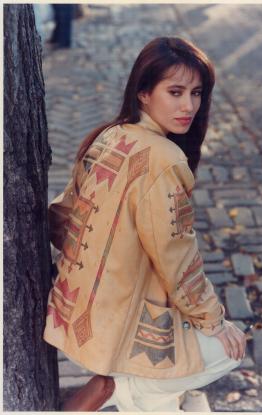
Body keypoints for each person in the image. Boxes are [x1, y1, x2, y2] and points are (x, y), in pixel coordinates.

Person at [43, 36, 247, 412]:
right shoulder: (164, 160)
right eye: (175, 91)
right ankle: (117, 388)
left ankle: (136, 389)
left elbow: (60, 218)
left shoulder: (107, 137)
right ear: (143, 93)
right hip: (116, 332)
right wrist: (215, 322)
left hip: (73, 317)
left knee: (179, 396)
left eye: (197, 93)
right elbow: (177, 259)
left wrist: (106, 253)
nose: (189, 106)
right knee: (229, 350)